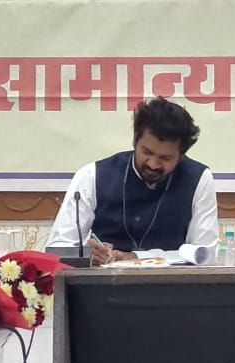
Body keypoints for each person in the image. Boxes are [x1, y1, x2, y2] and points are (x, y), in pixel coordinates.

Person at [46, 97, 219, 265]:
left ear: (181, 156)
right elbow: (59, 248)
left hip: (174, 283)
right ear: (135, 140)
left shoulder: (199, 178)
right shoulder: (91, 175)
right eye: (147, 152)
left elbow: (205, 254)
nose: (153, 164)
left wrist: (138, 257)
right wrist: (86, 254)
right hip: (102, 282)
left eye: (165, 158)